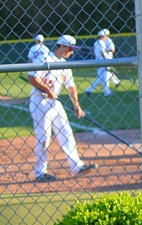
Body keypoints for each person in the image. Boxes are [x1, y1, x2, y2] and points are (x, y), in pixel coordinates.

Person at [27, 35, 97, 182]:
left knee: (66, 131)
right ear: (63, 46)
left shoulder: (64, 65)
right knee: (44, 137)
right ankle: (40, 173)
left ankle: (77, 166)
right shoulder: (45, 58)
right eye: (70, 49)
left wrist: (76, 105)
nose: (72, 52)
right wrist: (47, 90)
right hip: (39, 101)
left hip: (54, 102)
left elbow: (71, 87)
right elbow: (32, 77)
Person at [85, 30, 113, 97]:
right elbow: (102, 52)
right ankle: (106, 92)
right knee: (104, 77)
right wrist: (106, 61)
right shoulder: (101, 42)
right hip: (102, 62)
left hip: (98, 61)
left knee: (101, 77)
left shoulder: (96, 42)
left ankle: (105, 91)